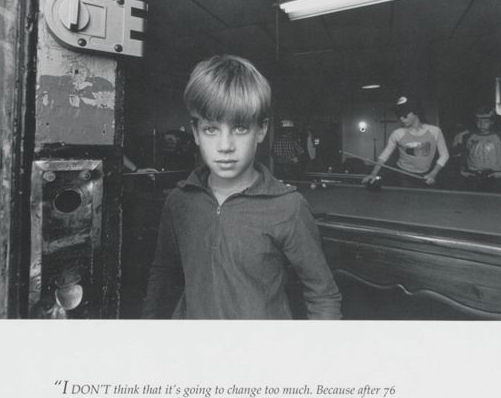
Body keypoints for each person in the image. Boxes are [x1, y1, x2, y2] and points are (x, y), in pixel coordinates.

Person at [141, 55, 342, 320]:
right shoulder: (178, 201)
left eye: (239, 128)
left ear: (261, 130)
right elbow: (162, 278)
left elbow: (323, 295)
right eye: (211, 129)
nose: (225, 145)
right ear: (196, 132)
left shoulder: (288, 206)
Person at [363, 94, 449, 187]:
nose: (401, 118)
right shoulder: (397, 133)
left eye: (404, 114)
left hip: (426, 175)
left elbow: (444, 155)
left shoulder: (435, 131)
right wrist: (373, 174)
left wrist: (433, 174)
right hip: (403, 174)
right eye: (399, 114)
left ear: (416, 112)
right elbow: (384, 155)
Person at [454, 106, 501, 192]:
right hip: (473, 177)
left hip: (495, 177)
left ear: (492, 121)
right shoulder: (467, 136)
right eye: (478, 120)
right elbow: (463, 156)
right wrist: (462, 171)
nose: (481, 123)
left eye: (485, 120)